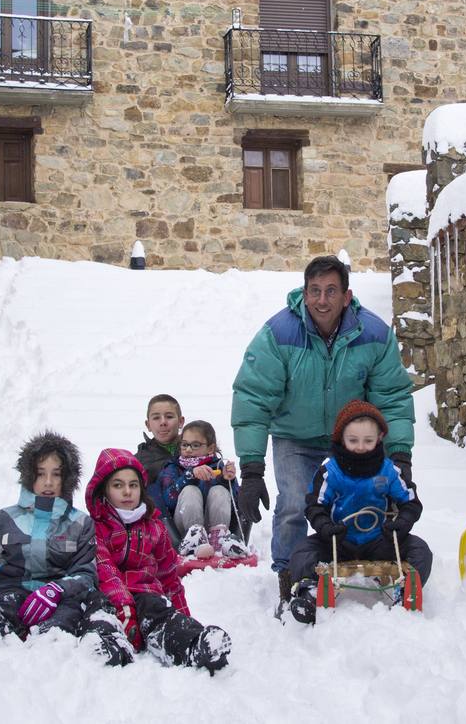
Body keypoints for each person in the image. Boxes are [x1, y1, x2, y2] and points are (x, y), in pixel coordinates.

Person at [231, 255, 416, 610]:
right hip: (294, 436)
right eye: (314, 290)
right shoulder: (278, 334)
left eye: (331, 291)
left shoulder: (374, 335)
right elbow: (253, 397)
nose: (322, 299)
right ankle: (290, 576)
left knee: (367, 497)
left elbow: (391, 397)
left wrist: (400, 456)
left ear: (347, 296)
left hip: (351, 439)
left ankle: (371, 559)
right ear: (304, 292)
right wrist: (252, 469)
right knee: (294, 502)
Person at [0, 432, 132, 664]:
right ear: (28, 476)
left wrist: (56, 590)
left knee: (65, 621)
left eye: (56, 475)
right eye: (40, 474)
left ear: (66, 479)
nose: (48, 482)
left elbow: (85, 573)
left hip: (60, 600)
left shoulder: (79, 523)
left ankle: (53, 651)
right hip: (10, 592)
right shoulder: (5, 519)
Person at [284, 401, 431, 625]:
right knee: (302, 552)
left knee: (420, 550)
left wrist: (402, 523)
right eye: (353, 440)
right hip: (338, 541)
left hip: (377, 540)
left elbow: (410, 501)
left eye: (368, 441)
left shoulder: (388, 470)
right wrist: (325, 527)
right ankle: (310, 594)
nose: (361, 447)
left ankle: (406, 591)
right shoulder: (331, 471)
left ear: (380, 438)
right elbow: (315, 504)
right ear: (341, 438)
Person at [86, 448, 232, 672]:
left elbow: (169, 576)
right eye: (118, 485)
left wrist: (183, 617)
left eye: (133, 485)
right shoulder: (96, 527)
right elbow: (105, 568)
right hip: (110, 596)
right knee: (98, 611)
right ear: (103, 489)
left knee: (160, 612)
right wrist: (124, 606)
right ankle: (111, 645)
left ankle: (194, 646)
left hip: (146, 594)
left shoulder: (153, 526)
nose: (127, 492)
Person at [151, 421, 249, 559]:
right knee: (190, 490)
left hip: (214, 523)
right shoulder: (173, 468)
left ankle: (219, 539)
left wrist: (228, 480)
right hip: (183, 527)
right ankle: (194, 538)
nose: (189, 449)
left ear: (211, 448)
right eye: (185, 444)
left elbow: (237, 505)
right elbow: (167, 501)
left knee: (219, 491)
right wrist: (188, 476)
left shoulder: (219, 467)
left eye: (195, 445)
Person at [135, 395, 184, 487]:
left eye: (169, 417)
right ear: (148, 425)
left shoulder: (198, 449)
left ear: (180, 422)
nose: (163, 422)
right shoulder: (138, 461)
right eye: (156, 418)